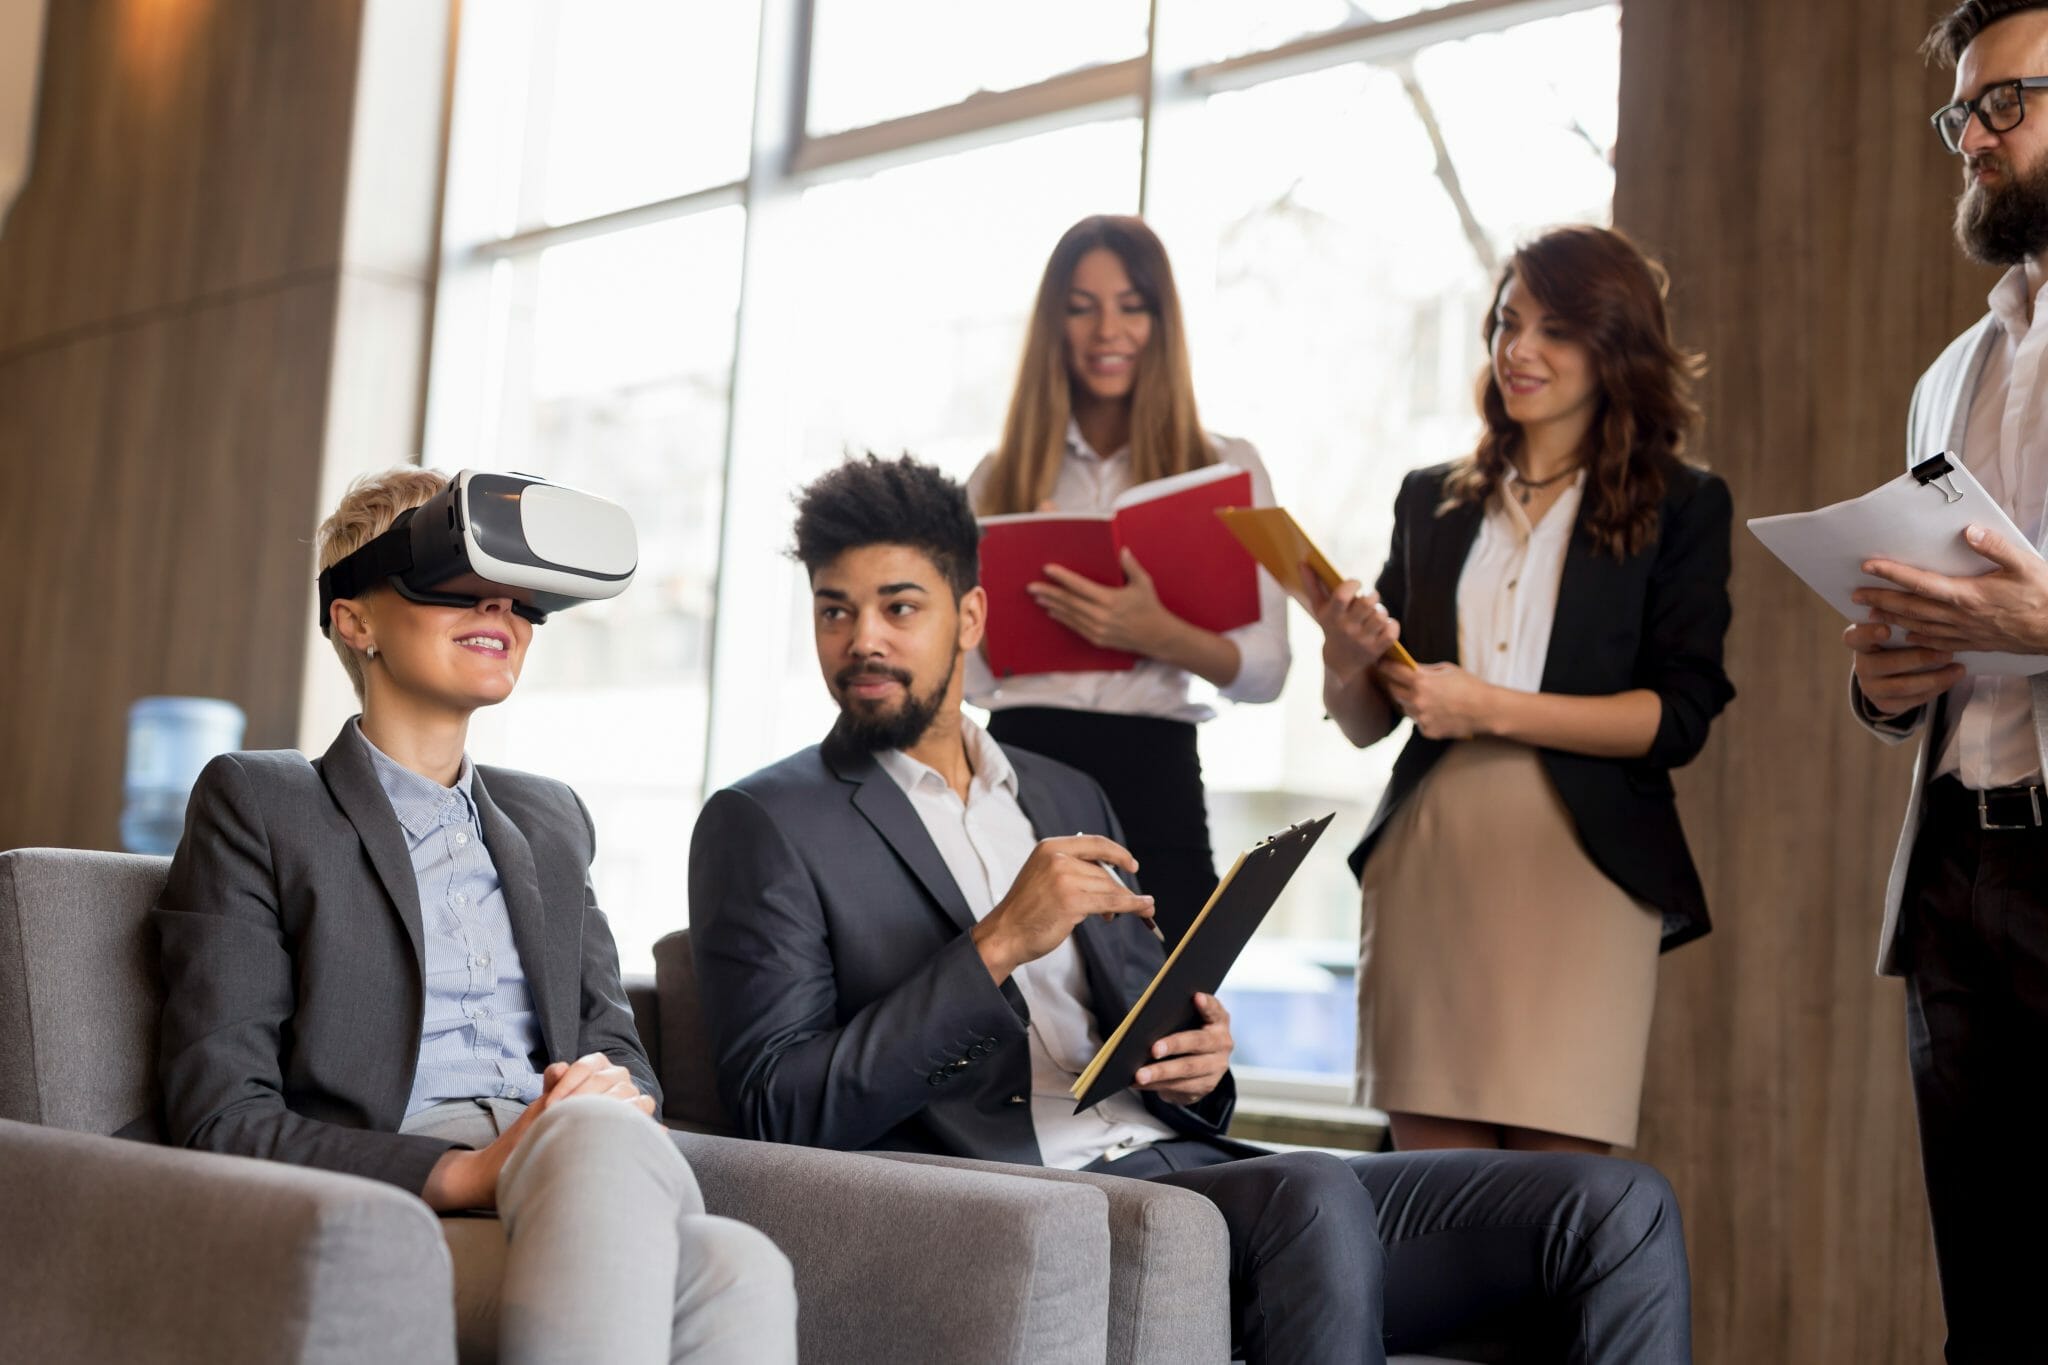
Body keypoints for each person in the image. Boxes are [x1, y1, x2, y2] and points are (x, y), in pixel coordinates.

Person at [689, 454, 1692, 1365]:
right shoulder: (765, 823)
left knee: (1617, 1208)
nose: (860, 640)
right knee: (1306, 1194)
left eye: (897, 607)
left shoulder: (1065, 792)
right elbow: (778, 1106)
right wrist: (992, 945)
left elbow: (1148, 1025)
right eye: (833, 611)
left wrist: (1195, 1059)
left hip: (1187, 1165)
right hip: (1017, 1193)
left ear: (971, 617)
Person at [153, 469, 796, 1364]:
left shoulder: (552, 818)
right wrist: (464, 1171)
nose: (499, 602)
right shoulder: (259, 802)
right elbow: (219, 1111)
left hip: (575, 1170)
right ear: (355, 617)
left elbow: (623, 1052)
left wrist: (615, 1092)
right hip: (399, 1193)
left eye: (520, 591)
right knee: (680, 1218)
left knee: (743, 1264)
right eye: (454, 575)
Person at [1309, 226, 1733, 1156]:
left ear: (1615, 345)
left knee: (1554, 1215)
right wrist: (1347, 660)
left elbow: (1681, 714)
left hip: (1583, 875)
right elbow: (1371, 720)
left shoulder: (1683, 505)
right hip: (1432, 863)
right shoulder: (1432, 500)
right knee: (1430, 1215)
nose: (1519, 349)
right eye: (1507, 322)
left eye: (1557, 328)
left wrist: (1489, 707)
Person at [1843, 5, 2048, 1356]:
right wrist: (1884, 673)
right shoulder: (1949, 375)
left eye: (2008, 103)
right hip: (1960, 877)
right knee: (1989, 1304)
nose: (1973, 135)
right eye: (1961, 113)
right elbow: (1924, 631)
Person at [966, 214, 1289, 945]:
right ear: (1054, 324)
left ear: (1161, 320)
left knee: (1173, 1016)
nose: (1107, 328)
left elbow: (1267, 670)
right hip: (1020, 762)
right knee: (1025, 1011)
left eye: (1131, 305)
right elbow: (967, 674)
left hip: (1155, 771)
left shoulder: (1224, 467)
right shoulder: (996, 479)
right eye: (1081, 307)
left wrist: (1156, 633)